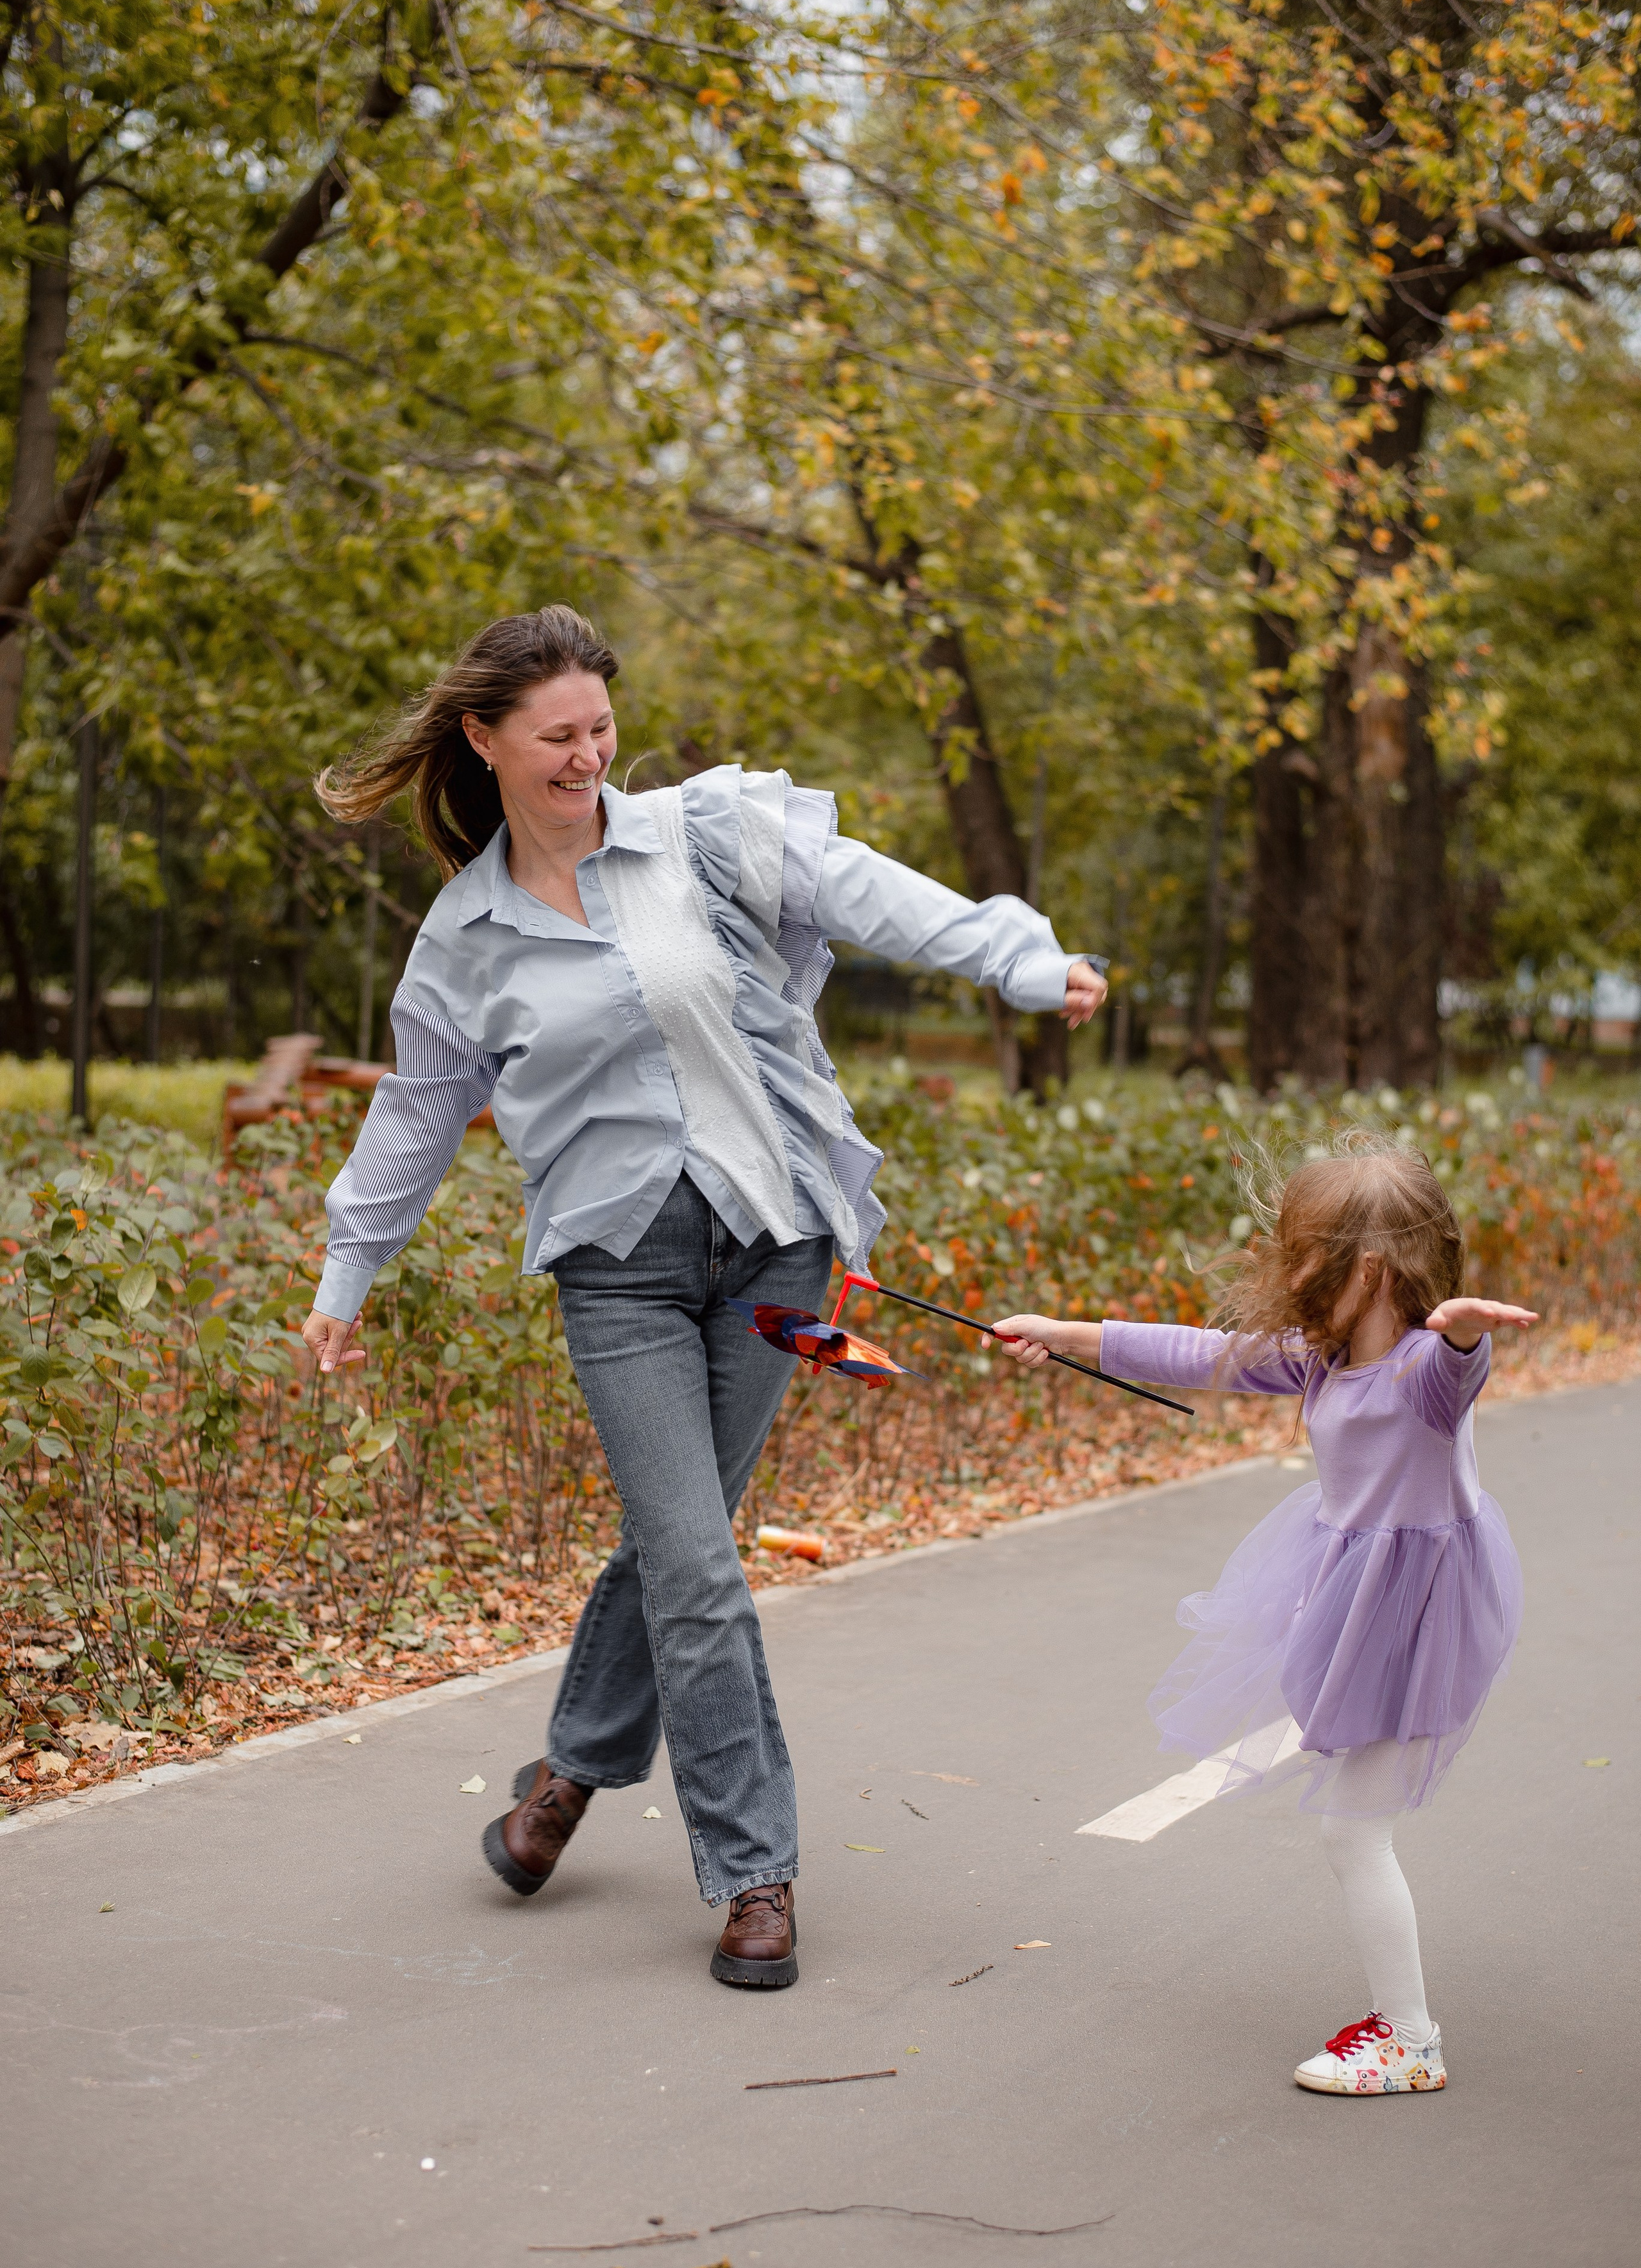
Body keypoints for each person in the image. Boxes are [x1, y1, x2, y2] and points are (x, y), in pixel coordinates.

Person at [299, 603, 1106, 1990]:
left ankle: (563, 1776)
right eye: (555, 735)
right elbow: (418, 1113)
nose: (585, 755)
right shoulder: (464, 938)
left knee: (683, 1549)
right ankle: (754, 1876)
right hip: (619, 1273)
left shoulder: (703, 834)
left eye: (599, 727)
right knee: (694, 1558)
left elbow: (869, 891)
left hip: (772, 1249)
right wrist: (347, 1269)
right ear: (485, 741)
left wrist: (1017, 961)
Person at [992, 1135, 1535, 2094]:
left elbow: (1458, 1371)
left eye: (1306, 1256)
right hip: (1362, 1596)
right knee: (1354, 1820)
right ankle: (1402, 2022)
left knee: (1353, 1831)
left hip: (1414, 1616)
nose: (1288, 1274)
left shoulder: (1420, 1375)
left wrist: (1461, 1334)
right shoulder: (1323, 1360)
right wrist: (1065, 1332)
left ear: (1367, 1269)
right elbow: (1202, 1352)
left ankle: (1411, 2040)